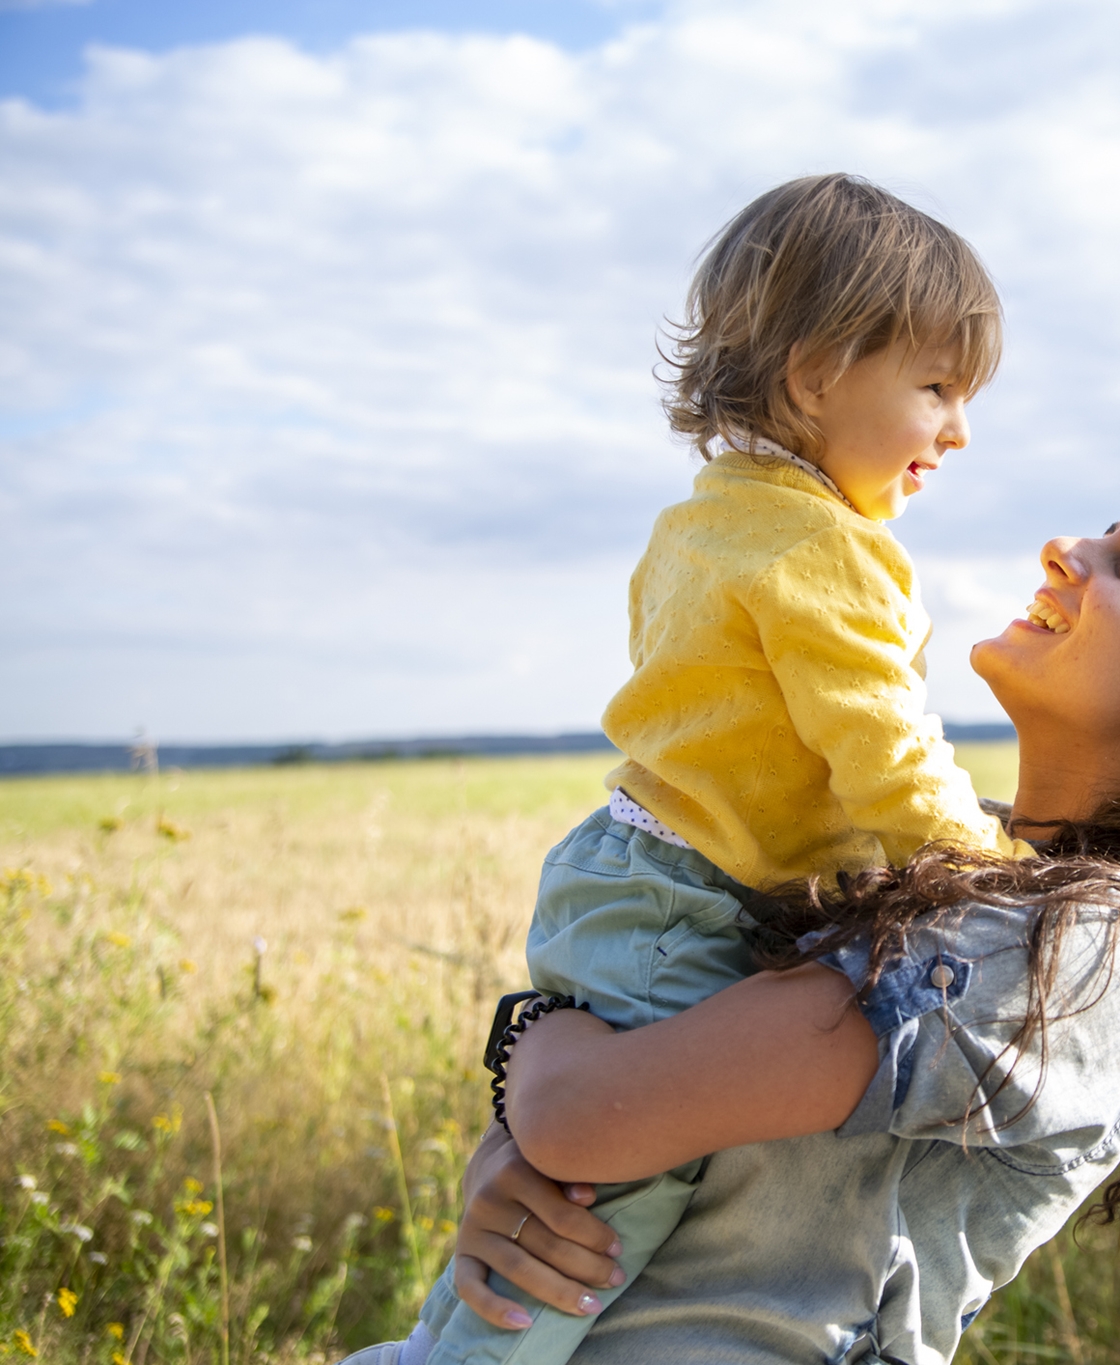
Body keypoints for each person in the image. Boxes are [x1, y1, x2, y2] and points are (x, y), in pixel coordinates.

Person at [417, 487, 1120, 1365]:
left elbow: (588, 1110)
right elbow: (612, 1107)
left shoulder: (1090, 950)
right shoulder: (932, 864)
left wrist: (530, 1065)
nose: (1065, 550)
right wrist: (516, 1168)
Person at [409, 173, 1031, 1365]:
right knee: (597, 1207)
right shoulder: (825, 550)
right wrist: (994, 873)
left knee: (578, 1173)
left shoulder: (706, 519)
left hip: (628, 877)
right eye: (937, 388)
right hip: (684, 901)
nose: (958, 431)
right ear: (813, 376)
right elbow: (887, 751)